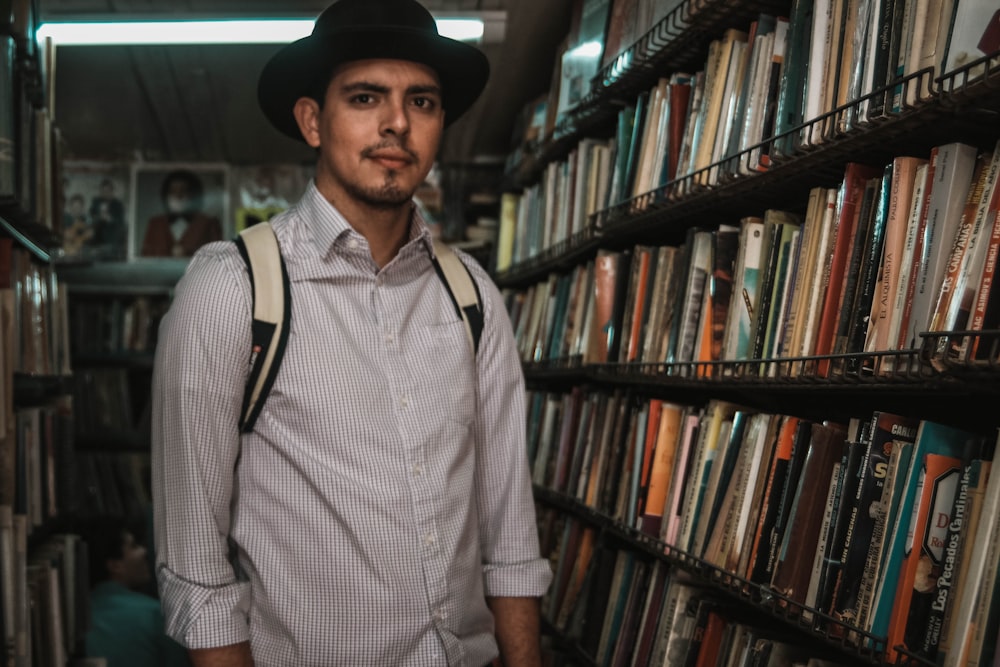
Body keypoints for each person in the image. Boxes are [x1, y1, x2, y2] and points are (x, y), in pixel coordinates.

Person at [150, 0, 552, 666]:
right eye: (366, 97)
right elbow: (197, 571)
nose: (397, 122)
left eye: (421, 102)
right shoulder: (232, 289)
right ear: (313, 120)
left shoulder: (472, 294)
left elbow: (509, 538)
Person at [82, 517, 192, 667]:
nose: (143, 551)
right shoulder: (155, 614)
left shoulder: (78, 620)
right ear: (115, 565)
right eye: (133, 546)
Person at [141, 169, 223, 257]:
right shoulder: (155, 224)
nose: (178, 196)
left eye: (183, 190)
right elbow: (145, 256)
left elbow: (218, 257)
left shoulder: (208, 223)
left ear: (193, 194)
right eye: (173, 191)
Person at [88, 178, 127, 260]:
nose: (105, 193)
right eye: (103, 191)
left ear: (112, 191)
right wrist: (98, 218)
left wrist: (109, 219)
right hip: (97, 240)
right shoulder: (96, 202)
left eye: (107, 191)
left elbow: (120, 222)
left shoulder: (117, 205)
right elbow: (91, 217)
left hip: (112, 240)